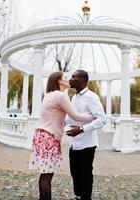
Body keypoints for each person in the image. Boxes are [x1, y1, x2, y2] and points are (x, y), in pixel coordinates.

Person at [29, 71, 94, 200]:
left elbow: (58, 117)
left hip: (41, 136)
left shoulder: (48, 95)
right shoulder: (60, 96)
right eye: (65, 78)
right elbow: (75, 116)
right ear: (59, 81)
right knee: (47, 176)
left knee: (45, 174)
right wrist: (93, 117)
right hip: (49, 138)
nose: (69, 80)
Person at [66, 70, 107, 200]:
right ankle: (78, 196)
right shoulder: (74, 97)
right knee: (75, 173)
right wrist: (64, 123)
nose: (70, 79)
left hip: (87, 144)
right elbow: (71, 117)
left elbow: (101, 119)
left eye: (73, 77)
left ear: (82, 80)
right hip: (74, 144)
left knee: (85, 175)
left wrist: (82, 129)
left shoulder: (92, 97)